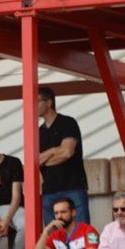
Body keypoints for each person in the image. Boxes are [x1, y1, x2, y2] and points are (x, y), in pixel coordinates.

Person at [37, 86, 88, 222]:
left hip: (73, 186)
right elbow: (35, 160)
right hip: (49, 189)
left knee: (81, 233)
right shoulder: (38, 132)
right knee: (53, 237)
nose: (33, 106)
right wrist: (55, 150)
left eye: (37, 101)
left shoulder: (67, 123)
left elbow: (67, 152)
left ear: (48, 103)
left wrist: (46, 158)